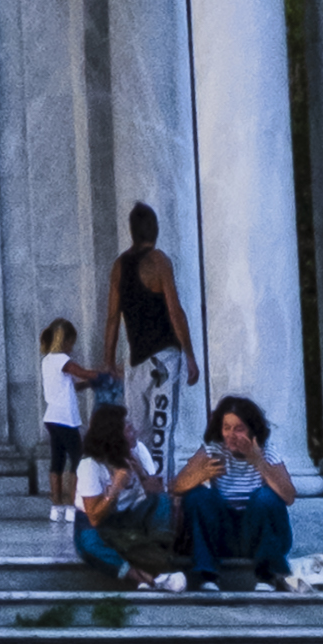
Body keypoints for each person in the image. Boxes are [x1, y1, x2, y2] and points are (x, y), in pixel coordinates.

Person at [171, 396, 299, 594]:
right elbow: (177, 486)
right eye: (226, 427)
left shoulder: (267, 451)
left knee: (266, 497)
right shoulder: (213, 450)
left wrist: (258, 462)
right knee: (198, 496)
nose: (231, 434)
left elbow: (289, 496)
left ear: (252, 430)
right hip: (223, 534)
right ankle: (206, 575)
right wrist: (201, 475)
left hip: (256, 534)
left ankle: (267, 575)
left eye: (239, 429)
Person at [110, 207, 197, 484]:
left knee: (137, 434)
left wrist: (108, 360)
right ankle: (161, 498)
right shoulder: (159, 261)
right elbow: (175, 311)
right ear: (155, 230)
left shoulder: (119, 265)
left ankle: (141, 496)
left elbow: (112, 318)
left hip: (134, 361)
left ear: (132, 231)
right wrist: (190, 356)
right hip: (164, 360)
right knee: (161, 431)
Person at [67, 420, 182, 589]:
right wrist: (116, 486)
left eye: (132, 428)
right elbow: (94, 514)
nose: (134, 433)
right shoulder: (90, 465)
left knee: (162, 501)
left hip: (128, 516)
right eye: (128, 431)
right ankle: (145, 578)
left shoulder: (139, 450)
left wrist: (141, 473)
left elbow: (157, 492)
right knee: (89, 545)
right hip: (95, 521)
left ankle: (157, 553)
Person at [34, 315, 85, 514]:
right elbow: (82, 372)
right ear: (64, 341)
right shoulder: (62, 359)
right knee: (77, 459)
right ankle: (73, 503)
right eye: (71, 341)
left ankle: (56, 506)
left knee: (57, 460)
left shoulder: (47, 361)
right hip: (65, 418)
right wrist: (103, 374)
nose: (73, 346)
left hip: (52, 417)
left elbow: (70, 387)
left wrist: (89, 383)